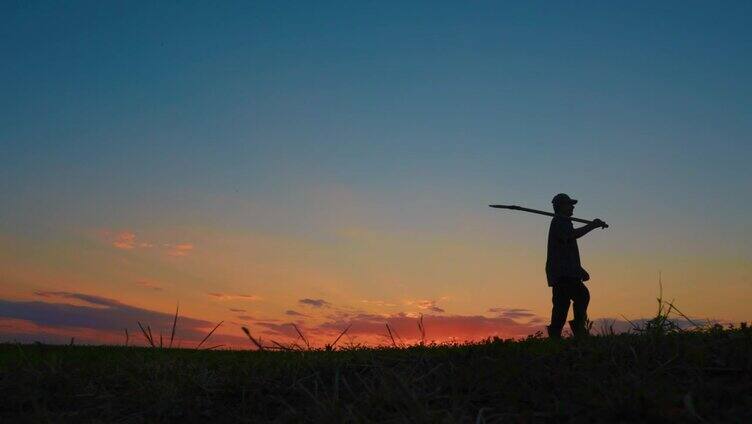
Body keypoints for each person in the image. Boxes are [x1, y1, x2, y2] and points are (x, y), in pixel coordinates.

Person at [545, 193, 605, 338]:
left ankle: (555, 335)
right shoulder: (560, 222)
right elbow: (571, 235)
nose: (572, 207)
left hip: (565, 271)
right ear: (560, 207)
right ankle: (578, 328)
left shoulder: (564, 221)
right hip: (563, 272)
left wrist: (579, 269)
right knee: (581, 296)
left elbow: (567, 252)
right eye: (569, 204)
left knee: (562, 304)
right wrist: (592, 226)